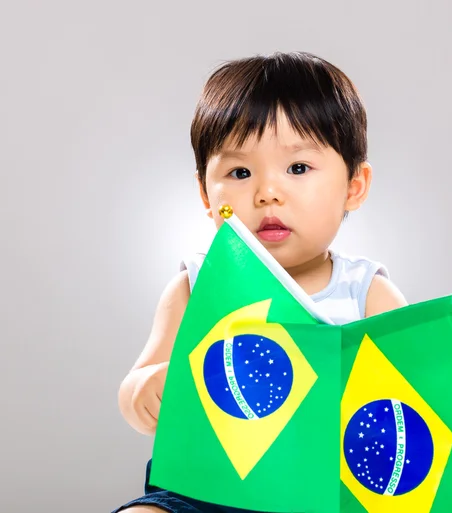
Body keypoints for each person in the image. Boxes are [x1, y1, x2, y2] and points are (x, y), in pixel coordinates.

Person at [113, 51, 408, 513]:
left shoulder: (367, 292)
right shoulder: (196, 286)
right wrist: (146, 391)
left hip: (325, 493)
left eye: (297, 168)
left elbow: (409, 410)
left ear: (354, 185)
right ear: (205, 195)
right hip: (207, 488)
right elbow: (137, 385)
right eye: (239, 172)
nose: (267, 192)